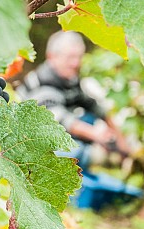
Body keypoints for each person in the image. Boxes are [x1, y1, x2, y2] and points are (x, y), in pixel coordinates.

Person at [16, 31, 129, 170]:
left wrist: (119, 136)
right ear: (52, 57)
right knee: (79, 151)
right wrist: (96, 134)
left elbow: (93, 105)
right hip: (27, 144)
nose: (75, 63)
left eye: (78, 57)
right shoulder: (43, 83)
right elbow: (59, 119)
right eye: (70, 57)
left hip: (52, 135)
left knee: (87, 119)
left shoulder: (69, 79)